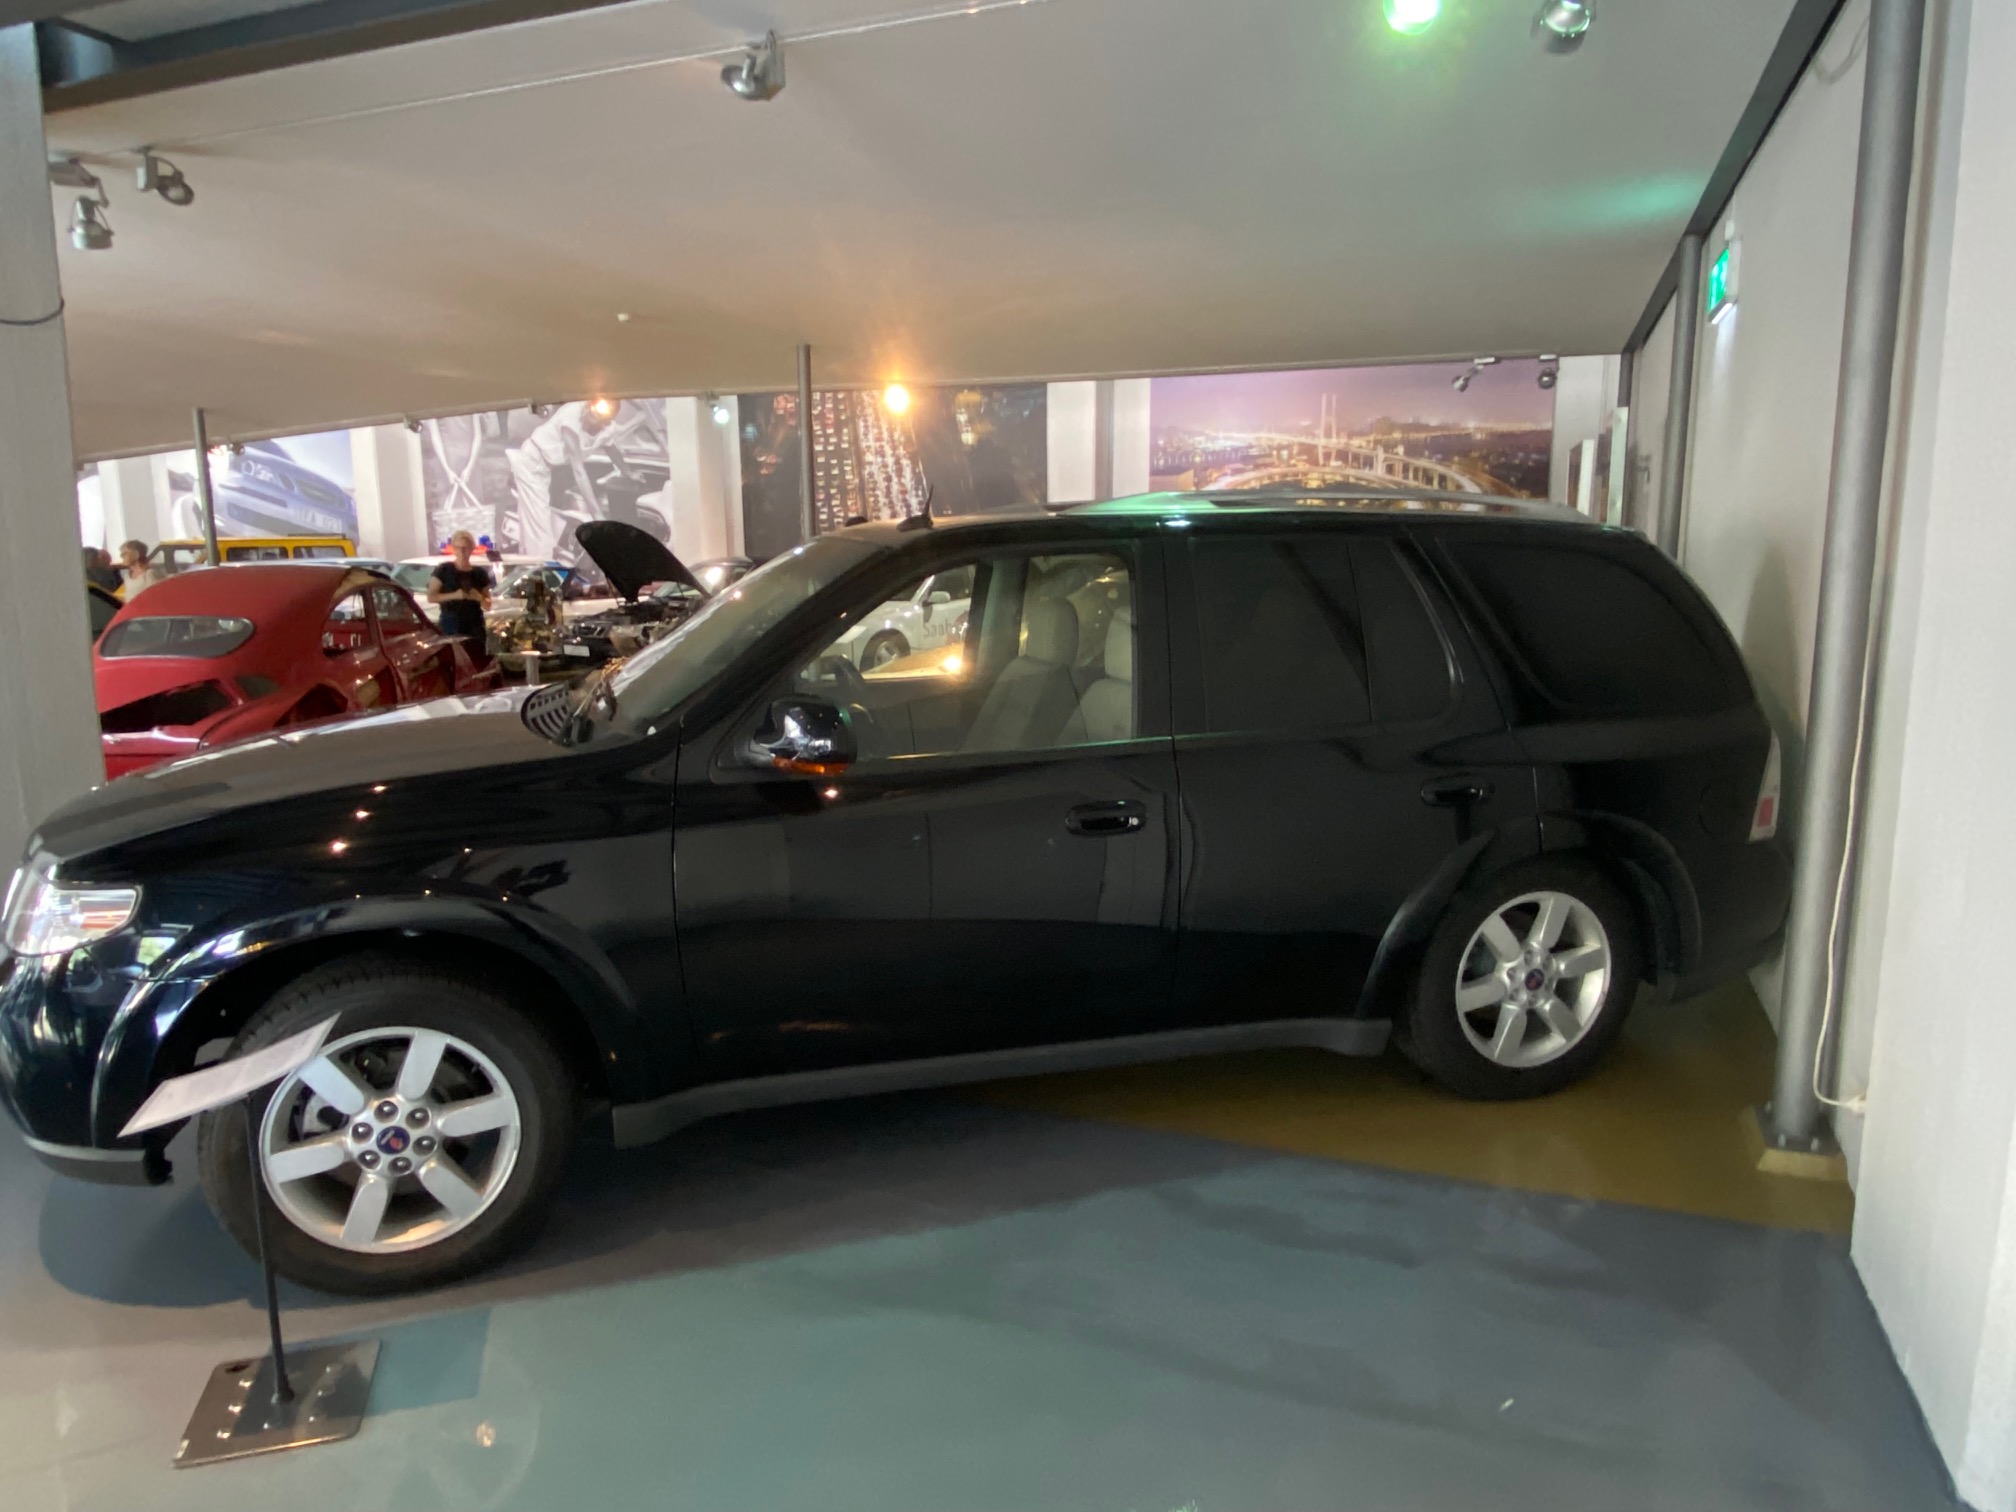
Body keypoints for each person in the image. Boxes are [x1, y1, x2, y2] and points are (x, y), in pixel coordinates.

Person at [506, 399, 618, 559]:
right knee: (540, 533)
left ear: (605, 422)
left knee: (530, 527)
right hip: (532, 462)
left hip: (543, 467)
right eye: (589, 409)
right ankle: (541, 567)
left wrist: (628, 472)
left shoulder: (606, 429)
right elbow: (579, 471)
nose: (588, 413)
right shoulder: (571, 414)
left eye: (595, 416)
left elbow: (612, 448)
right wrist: (596, 513)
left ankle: (529, 563)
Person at [427, 530, 494, 656]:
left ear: (472, 549)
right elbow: (431, 597)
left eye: (466, 548)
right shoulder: (444, 570)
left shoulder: (479, 573)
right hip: (451, 623)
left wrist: (479, 597)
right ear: (453, 548)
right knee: (454, 657)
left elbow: (488, 604)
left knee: (476, 657)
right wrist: (454, 595)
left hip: (474, 624)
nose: (462, 552)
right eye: (458, 548)